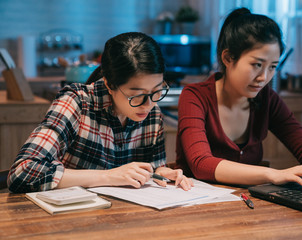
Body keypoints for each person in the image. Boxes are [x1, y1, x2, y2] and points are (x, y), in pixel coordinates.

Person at [8, 32, 193, 193]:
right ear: (109, 85)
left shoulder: (152, 113)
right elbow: (22, 172)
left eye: (157, 91)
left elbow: (152, 168)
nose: (148, 104)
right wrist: (108, 176)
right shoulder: (77, 103)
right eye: (136, 96)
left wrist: (161, 173)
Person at [176, 8, 302, 189]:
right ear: (227, 58)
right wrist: (273, 174)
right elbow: (201, 163)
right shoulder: (195, 96)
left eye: (272, 67)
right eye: (257, 65)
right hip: (196, 206)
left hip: (249, 205)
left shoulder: (268, 99)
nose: (264, 77)